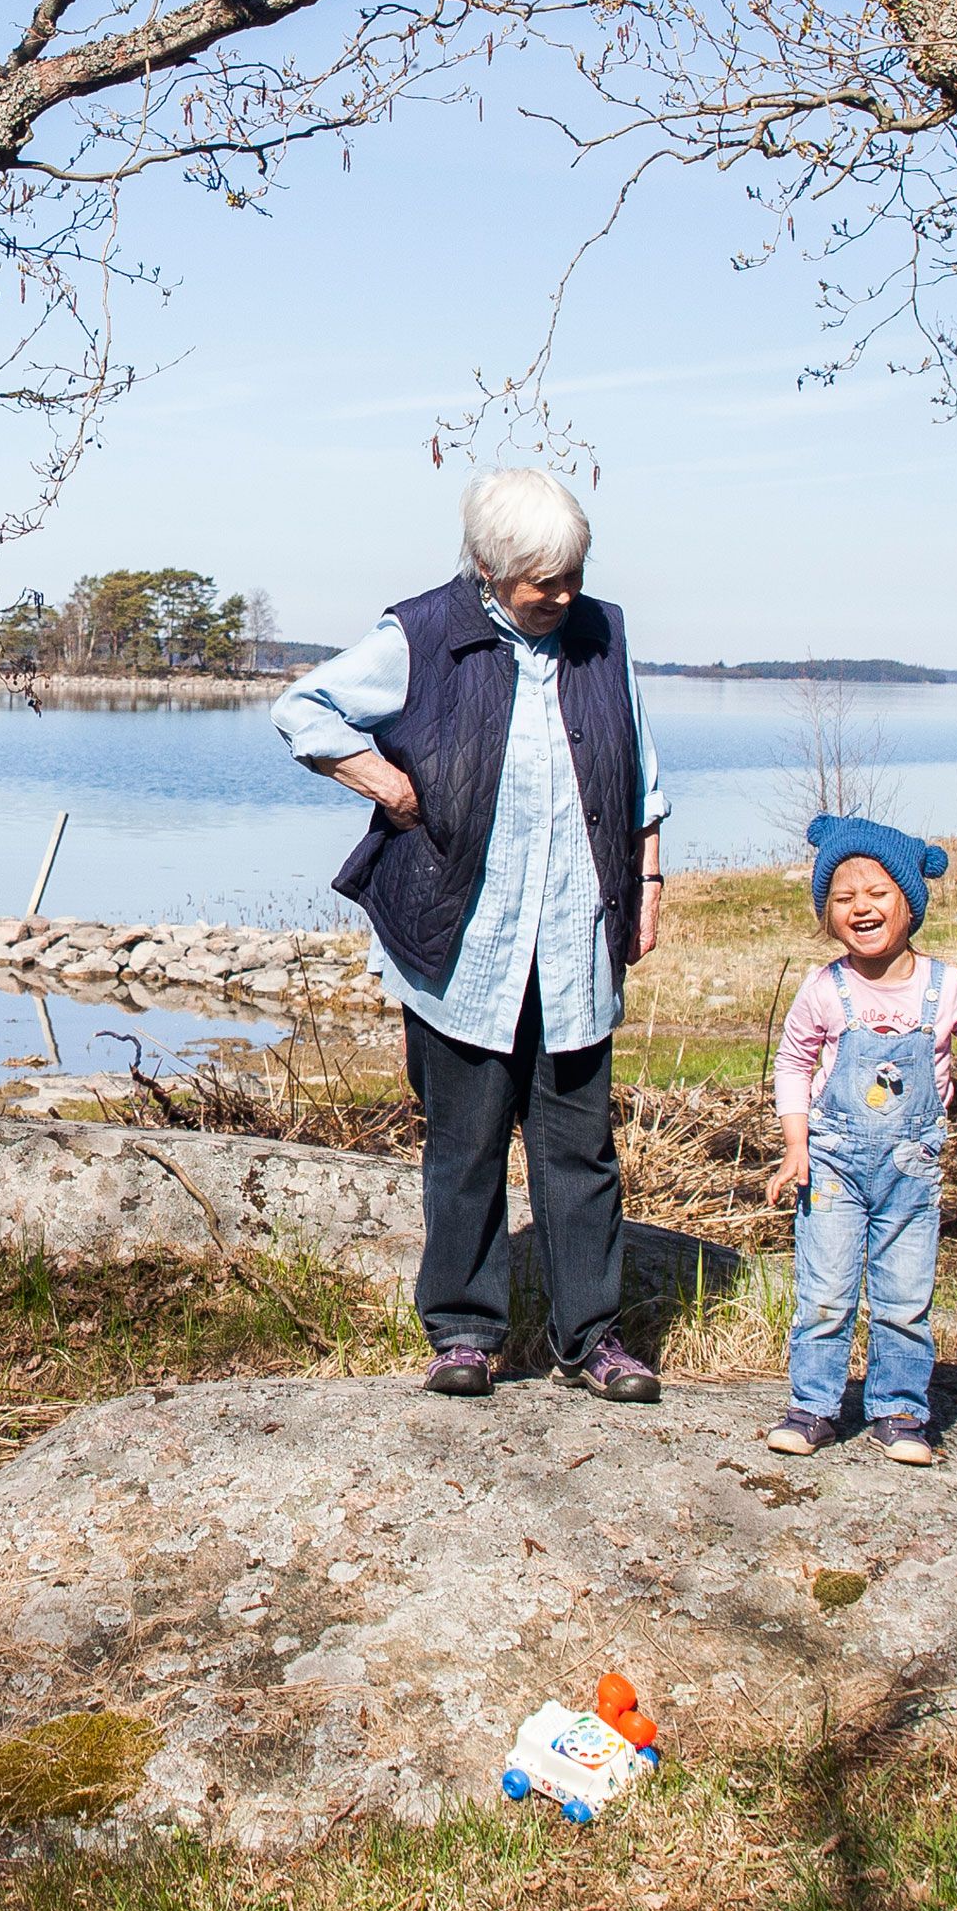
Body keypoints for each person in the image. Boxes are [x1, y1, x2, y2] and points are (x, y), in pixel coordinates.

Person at [273, 469, 668, 1405]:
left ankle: (594, 1337)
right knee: (467, 1143)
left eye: (572, 575)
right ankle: (464, 1331)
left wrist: (648, 881)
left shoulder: (601, 638)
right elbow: (303, 710)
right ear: (489, 568)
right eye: (544, 582)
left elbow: (642, 772)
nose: (563, 596)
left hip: (574, 941)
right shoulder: (423, 633)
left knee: (581, 1151)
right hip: (462, 941)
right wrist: (391, 785)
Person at [760, 814, 957, 1465]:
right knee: (826, 1292)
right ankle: (812, 1407)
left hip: (911, 1171)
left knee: (904, 1296)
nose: (861, 907)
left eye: (877, 893)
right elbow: (793, 1066)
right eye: (843, 897)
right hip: (830, 1164)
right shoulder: (826, 989)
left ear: (910, 904)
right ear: (828, 914)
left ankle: (900, 1412)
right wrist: (795, 1143)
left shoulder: (946, 988)